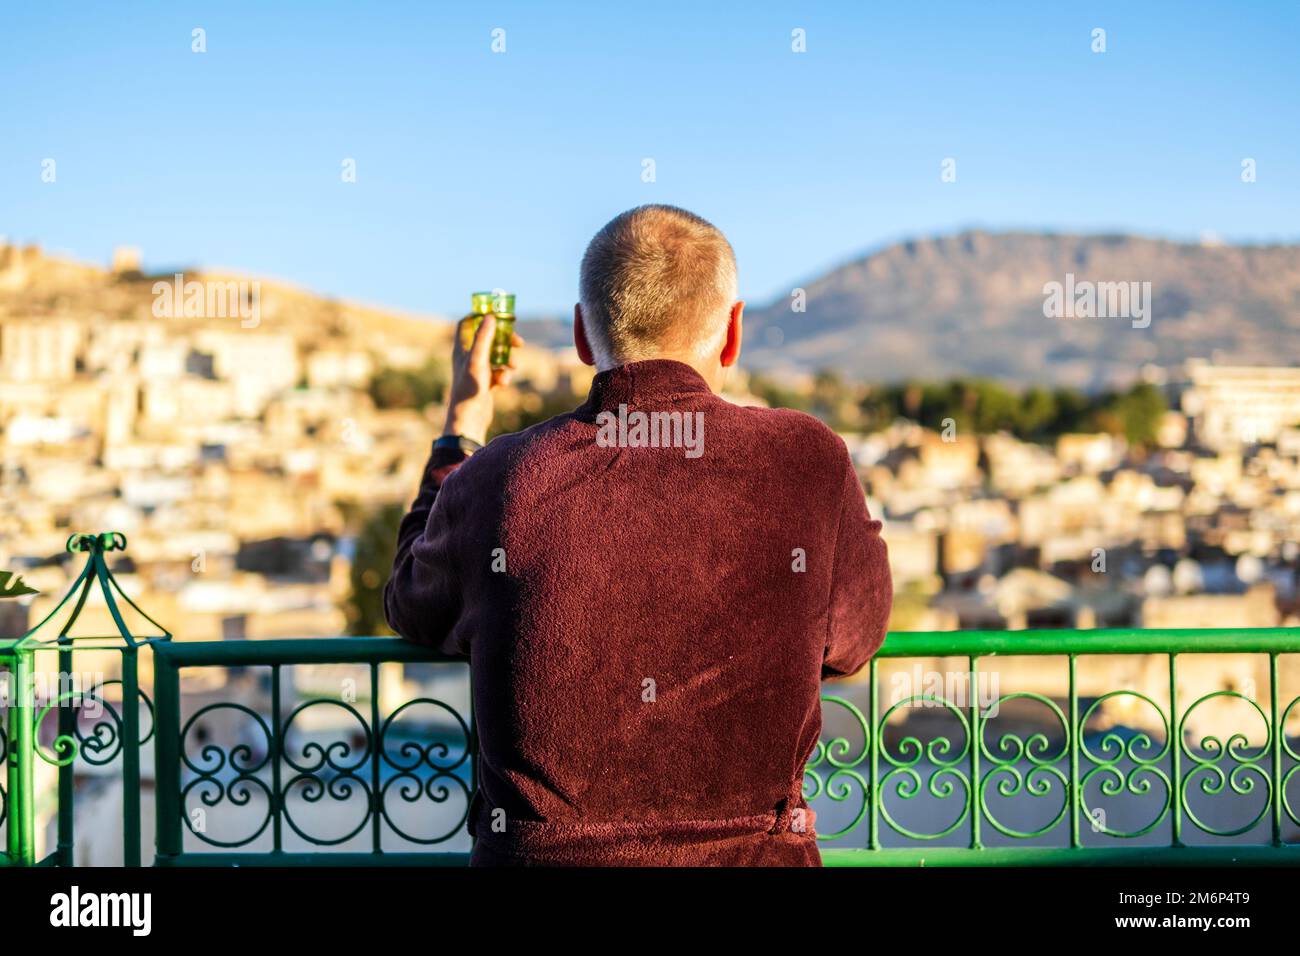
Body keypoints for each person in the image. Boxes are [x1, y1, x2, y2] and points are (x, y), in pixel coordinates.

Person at [384, 204, 892, 865]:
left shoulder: (496, 478)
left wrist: (460, 429)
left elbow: (412, 604)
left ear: (582, 336)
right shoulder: (806, 459)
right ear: (733, 332)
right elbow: (854, 641)